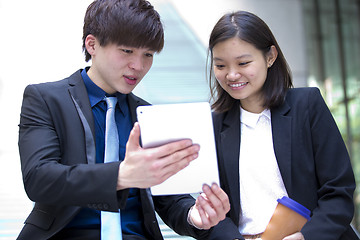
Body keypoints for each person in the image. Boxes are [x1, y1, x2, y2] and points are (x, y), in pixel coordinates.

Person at [17, 0, 233, 239]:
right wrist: (123, 175)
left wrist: (194, 216)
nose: (138, 66)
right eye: (127, 51)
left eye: (148, 54)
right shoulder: (46, 99)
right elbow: (39, 179)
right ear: (92, 45)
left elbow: (170, 200)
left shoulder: (148, 115)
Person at [207, 10, 358, 240]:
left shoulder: (307, 106)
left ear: (270, 57)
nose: (232, 74)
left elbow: (339, 191)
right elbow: (212, 209)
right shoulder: (213, 125)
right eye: (220, 65)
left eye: (243, 62)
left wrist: (306, 237)